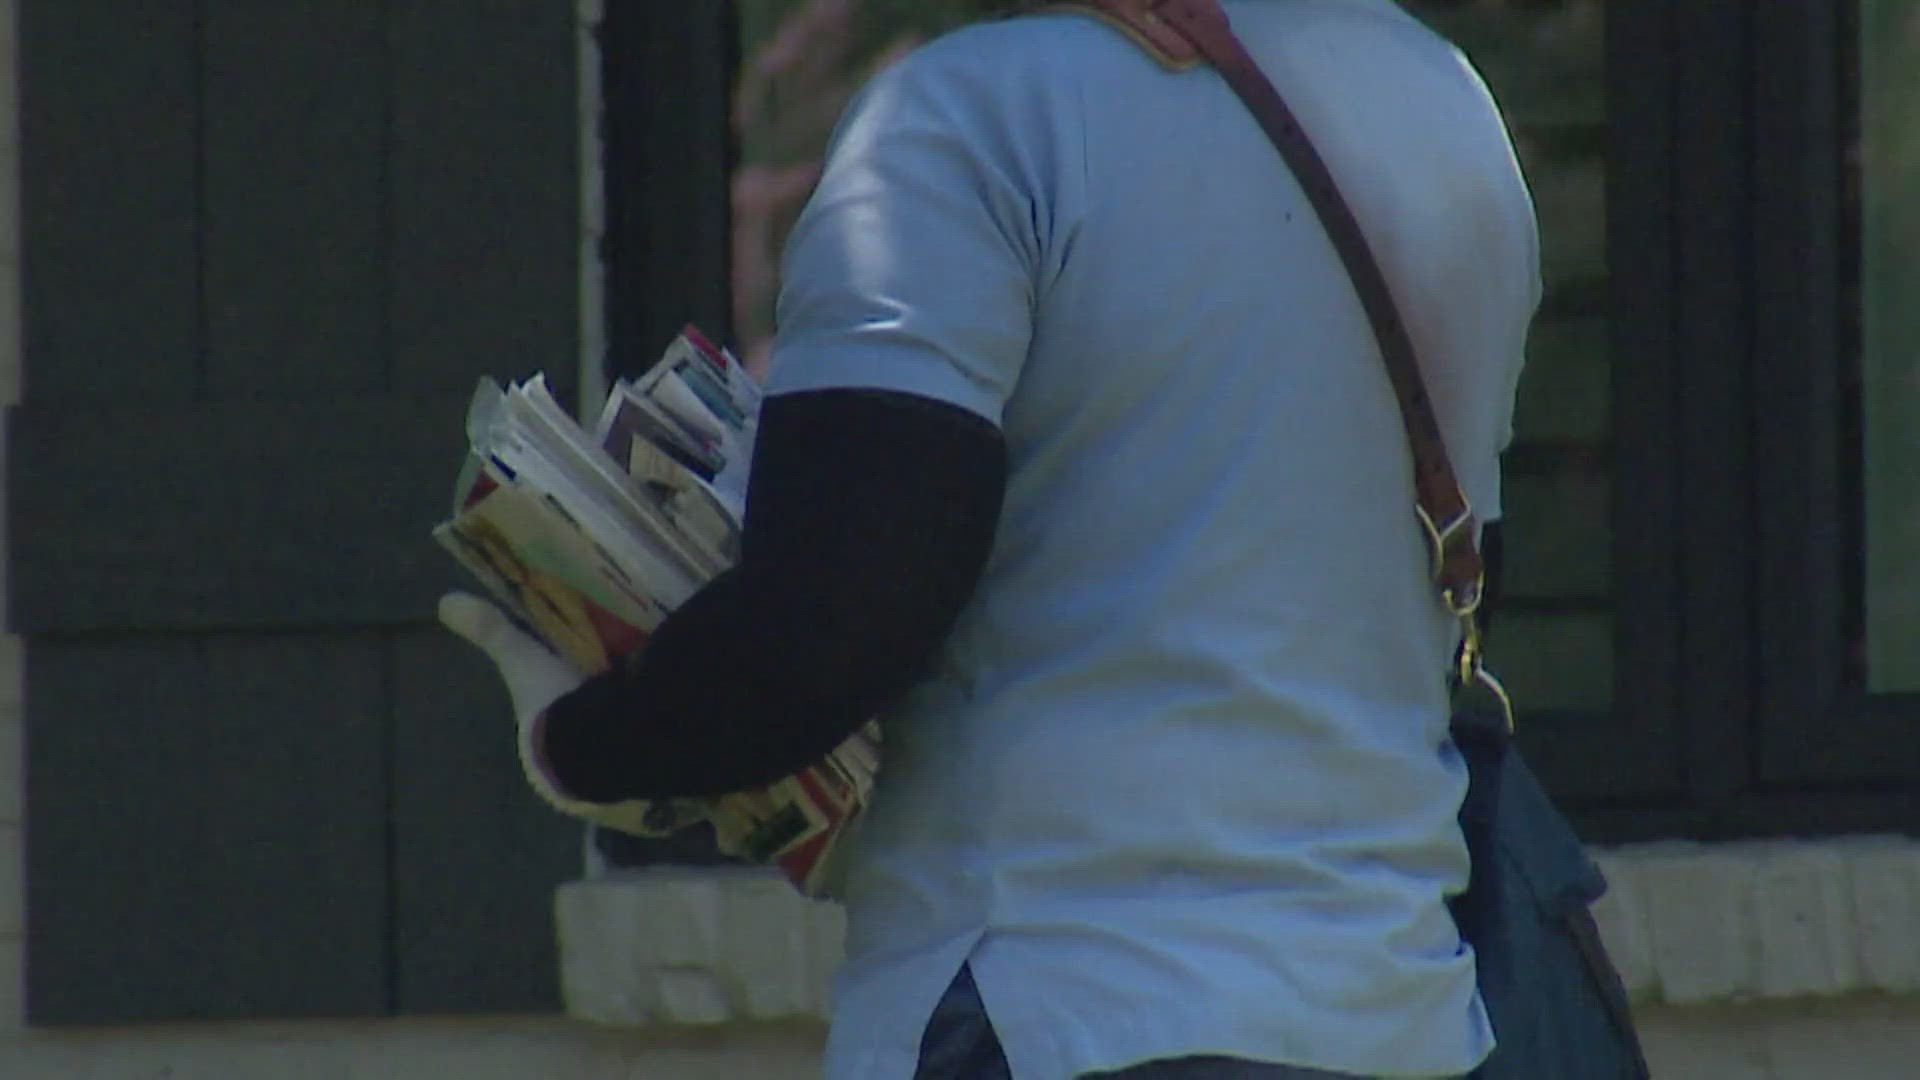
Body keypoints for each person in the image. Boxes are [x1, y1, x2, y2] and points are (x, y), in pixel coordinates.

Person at [441, 1, 1540, 1076]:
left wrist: (584, 746)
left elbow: (828, 627)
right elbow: (1439, 573)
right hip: (1402, 1011)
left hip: (1059, 1001)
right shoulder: (1444, 105)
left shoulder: (965, 118)